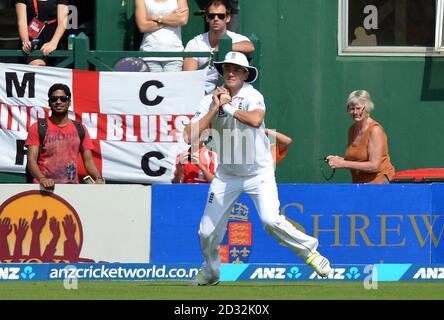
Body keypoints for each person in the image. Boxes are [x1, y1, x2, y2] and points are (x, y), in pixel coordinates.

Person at [184, 51, 331, 286]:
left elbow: (255, 120)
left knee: (270, 221)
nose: (230, 72)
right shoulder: (209, 99)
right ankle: (211, 272)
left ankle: (311, 253)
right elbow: (188, 136)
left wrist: (228, 107)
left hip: (258, 173)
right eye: (227, 68)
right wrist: (214, 108)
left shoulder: (253, 96)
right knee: (206, 233)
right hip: (226, 175)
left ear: (245, 74)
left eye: (236, 69)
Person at [25, 83, 105, 190]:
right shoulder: (37, 127)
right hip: (43, 189)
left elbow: (88, 161)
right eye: (54, 99)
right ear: (49, 103)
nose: (58, 102)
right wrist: (42, 179)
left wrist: (98, 178)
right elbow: (31, 161)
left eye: (63, 99)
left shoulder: (80, 128)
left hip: (71, 189)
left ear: (69, 102)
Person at [183, 0, 254, 93]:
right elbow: (189, 76)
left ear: (228, 18)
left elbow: (250, 46)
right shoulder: (195, 42)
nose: (216, 19)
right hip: (202, 90)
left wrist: (223, 47)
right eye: (211, 16)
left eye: (221, 16)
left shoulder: (236, 38)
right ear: (207, 18)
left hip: (229, 89)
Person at [326, 90, 395, 184]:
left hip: (379, 184)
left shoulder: (375, 130)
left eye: (358, 108)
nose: (355, 112)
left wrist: (343, 163)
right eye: (351, 109)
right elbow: (358, 160)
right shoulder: (352, 129)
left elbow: (374, 166)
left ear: (367, 108)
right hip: (359, 183)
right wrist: (338, 160)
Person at [135, 0, 189, 72]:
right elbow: (143, 26)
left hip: (174, 56)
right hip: (149, 55)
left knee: (171, 83)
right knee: (152, 83)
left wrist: (157, 18)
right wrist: (172, 20)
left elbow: (183, 20)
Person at [15, 0, 69, 66]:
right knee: (38, 66)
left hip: (55, 40)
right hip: (32, 42)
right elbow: (22, 23)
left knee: (56, 71)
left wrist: (53, 43)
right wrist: (26, 42)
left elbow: (62, 22)